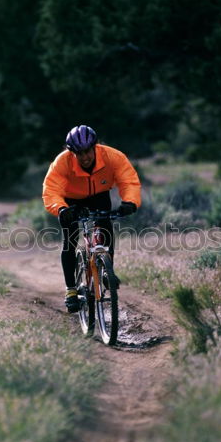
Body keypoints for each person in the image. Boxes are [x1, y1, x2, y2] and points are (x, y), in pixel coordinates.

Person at [42, 125, 141, 313]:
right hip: (71, 202)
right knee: (70, 241)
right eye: (79, 153)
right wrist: (61, 209)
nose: (85, 157)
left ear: (95, 147)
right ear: (72, 153)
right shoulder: (62, 162)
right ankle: (71, 290)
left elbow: (128, 180)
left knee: (105, 226)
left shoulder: (113, 157)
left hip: (99, 196)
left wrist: (129, 202)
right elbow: (51, 189)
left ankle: (106, 269)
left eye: (88, 151)